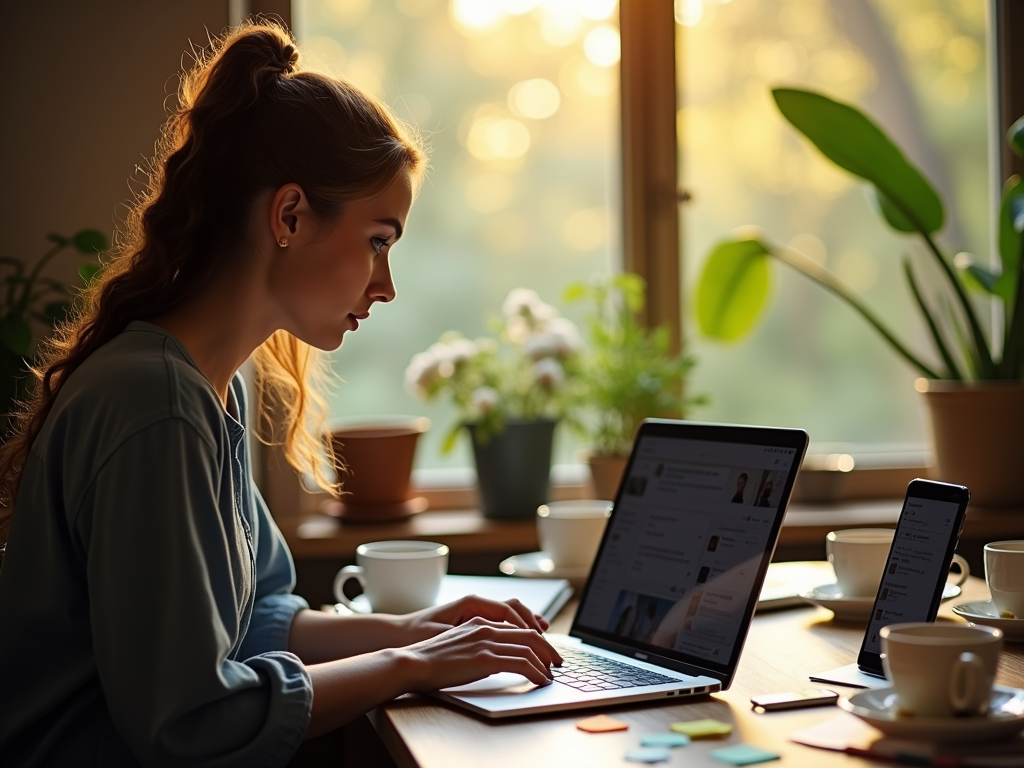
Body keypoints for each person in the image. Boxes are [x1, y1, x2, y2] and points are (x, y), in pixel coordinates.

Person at [0, 21, 561, 768]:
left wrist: (420, 628)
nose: (386, 285)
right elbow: (191, 722)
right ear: (290, 216)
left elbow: (261, 620)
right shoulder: (154, 402)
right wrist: (414, 665)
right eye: (378, 241)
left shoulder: (206, 390)